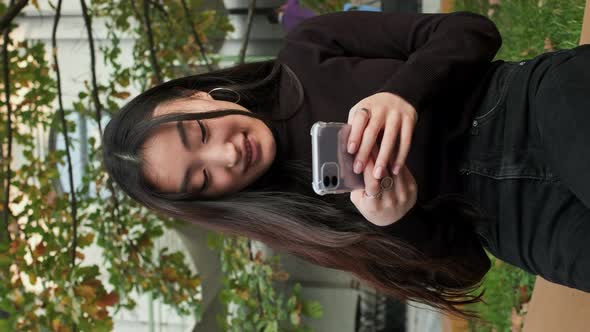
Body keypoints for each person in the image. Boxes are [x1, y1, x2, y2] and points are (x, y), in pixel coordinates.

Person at [102, 10, 590, 317]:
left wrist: (404, 94)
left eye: (200, 131)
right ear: (210, 200)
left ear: (195, 94)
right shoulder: (304, 225)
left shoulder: (308, 49)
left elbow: (472, 30)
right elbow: (466, 270)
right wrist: (400, 222)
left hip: (526, 106)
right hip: (521, 223)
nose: (227, 154)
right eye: (203, 177)